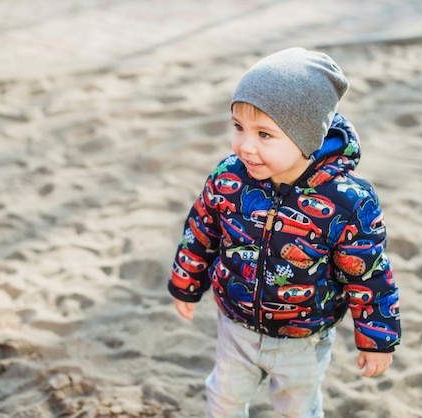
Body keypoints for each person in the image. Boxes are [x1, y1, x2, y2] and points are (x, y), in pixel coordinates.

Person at [168, 47, 401, 417]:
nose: (246, 146)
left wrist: (377, 337)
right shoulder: (229, 178)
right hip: (236, 324)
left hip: (304, 337)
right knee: (224, 398)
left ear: (307, 137)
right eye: (238, 128)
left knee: (297, 409)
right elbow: (201, 230)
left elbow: (368, 273)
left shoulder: (346, 203)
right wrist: (187, 281)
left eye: (264, 134)